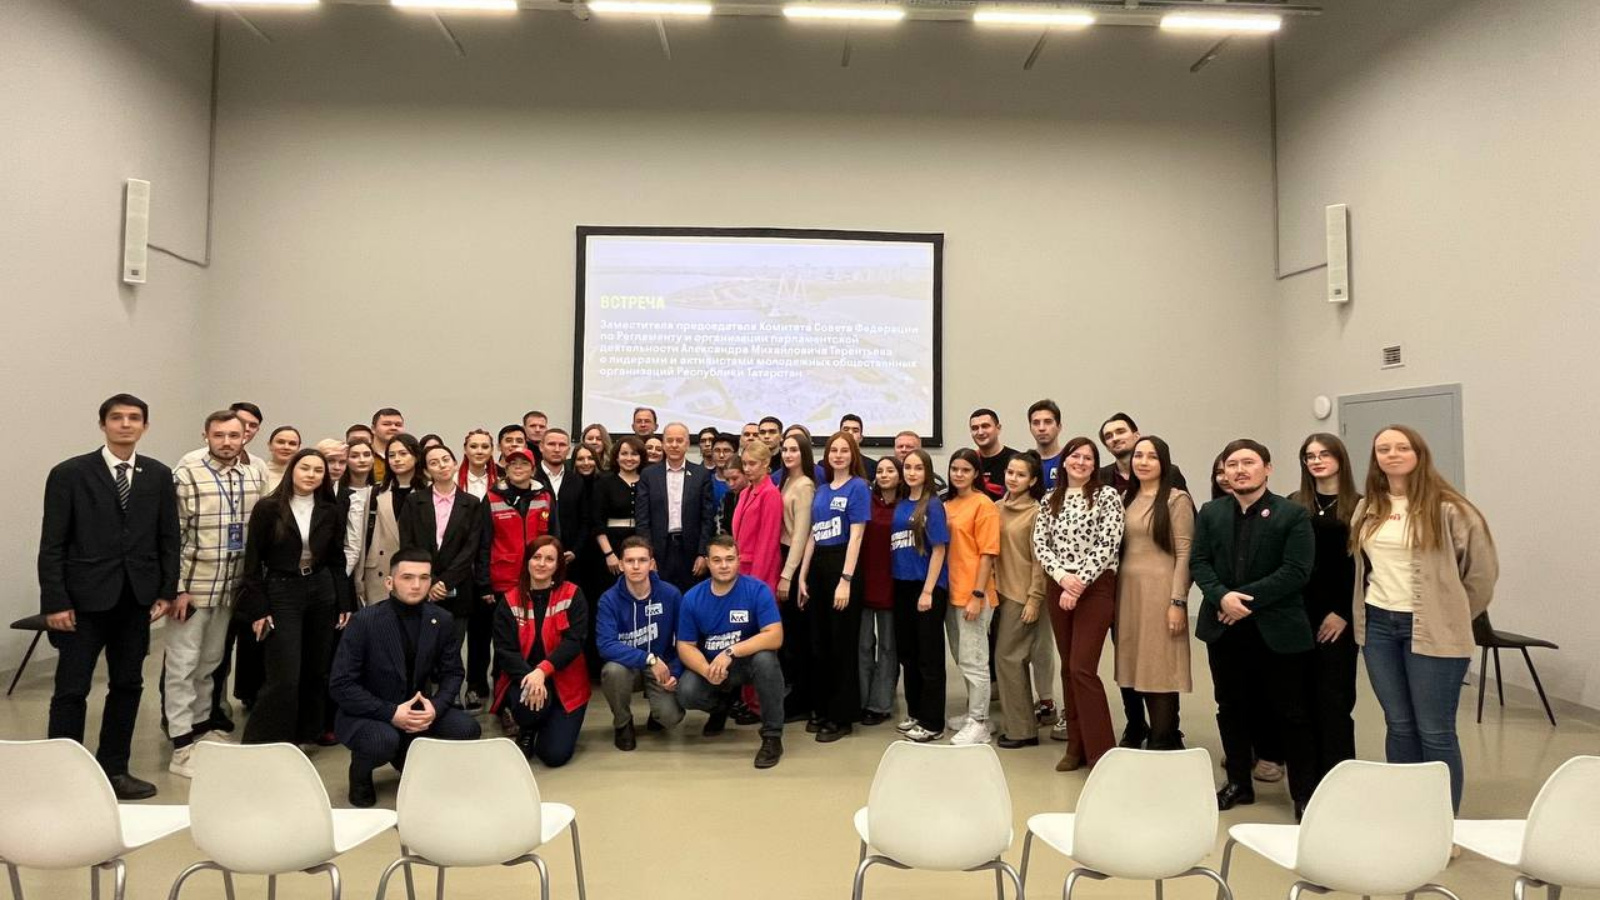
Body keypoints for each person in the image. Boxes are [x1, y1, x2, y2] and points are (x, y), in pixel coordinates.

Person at [1350, 425, 1496, 814]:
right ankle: (1406, 813)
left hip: (1432, 630)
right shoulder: (1369, 507)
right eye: (1383, 449)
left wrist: (1449, 615)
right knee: (1398, 724)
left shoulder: (1451, 509)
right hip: (1379, 627)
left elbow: (1481, 576)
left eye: (1402, 447)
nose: (1392, 454)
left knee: (1435, 731)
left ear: (1419, 454)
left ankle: (1441, 821)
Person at [39, 394, 178, 799]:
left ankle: (114, 769)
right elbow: (52, 544)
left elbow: (169, 537)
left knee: (128, 685)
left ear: (145, 426)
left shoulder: (157, 474)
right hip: (82, 601)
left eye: (134, 418)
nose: (125, 424)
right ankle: (61, 775)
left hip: (135, 600)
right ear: (103, 424)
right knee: (72, 689)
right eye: (117, 418)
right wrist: (55, 601)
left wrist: (166, 591)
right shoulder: (69, 473)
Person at [1191, 438, 1317, 816]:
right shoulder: (1211, 512)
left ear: (1267, 468)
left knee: (1291, 713)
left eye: (1248, 463)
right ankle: (1238, 784)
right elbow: (1199, 562)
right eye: (1232, 464)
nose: (1240, 470)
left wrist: (1241, 601)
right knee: (1231, 707)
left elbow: (1296, 571)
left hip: (1277, 630)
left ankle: (1303, 793)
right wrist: (1221, 597)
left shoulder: (1292, 514)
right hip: (1225, 629)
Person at [329, 548, 482, 808]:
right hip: (370, 713)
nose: (416, 585)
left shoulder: (441, 619)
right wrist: (390, 713)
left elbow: (453, 673)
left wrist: (435, 707)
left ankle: (411, 757)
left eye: (424, 578)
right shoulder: (364, 622)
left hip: (418, 710)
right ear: (390, 582)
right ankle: (360, 774)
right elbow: (341, 684)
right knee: (382, 741)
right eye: (407, 577)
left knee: (467, 729)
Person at [164, 410, 266, 778]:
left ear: (245, 437)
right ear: (205, 435)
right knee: (182, 667)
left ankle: (201, 729)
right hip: (193, 590)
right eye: (219, 435)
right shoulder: (187, 474)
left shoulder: (254, 473)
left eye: (234, 435)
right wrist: (176, 588)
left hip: (230, 589)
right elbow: (171, 537)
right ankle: (180, 747)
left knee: (210, 664)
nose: (227, 442)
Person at [239, 448, 355, 745]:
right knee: (285, 674)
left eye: (318, 470)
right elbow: (252, 563)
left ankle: (307, 734)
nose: (311, 475)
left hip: (321, 589)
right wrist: (259, 608)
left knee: (317, 670)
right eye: (305, 468)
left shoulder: (330, 509)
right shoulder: (268, 508)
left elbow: (336, 559)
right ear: (293, 470)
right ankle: (266, 740)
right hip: (282, 590)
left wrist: (344, 601)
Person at [1033, 437, 1125, 771]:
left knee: (1082, 668)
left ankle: (1102, 753)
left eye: (1088, 458)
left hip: (1096, 587)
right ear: (1065, 461)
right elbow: (1040, 543)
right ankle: (1076, 746)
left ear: (1095, 464)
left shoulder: (1106, 496)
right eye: (1075, 456)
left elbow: (1108, 542)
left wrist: (1080, 582)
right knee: (1068, 668)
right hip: (1059, 585)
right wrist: (1062, 577)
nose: (1081, 462)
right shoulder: (1050, 498)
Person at [675, 535, 786, 769]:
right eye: (717, 560)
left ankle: (772, 736)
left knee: (766, 660)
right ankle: (720, 707)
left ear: (738, 560)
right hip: (712, 666)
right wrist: (706, 670)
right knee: (686, 691)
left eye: (730, 559)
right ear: (707, 562)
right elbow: (685, 645)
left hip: (747, 663)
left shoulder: (757, 590)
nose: (724, 565)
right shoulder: (692, 598)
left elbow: (775, 636)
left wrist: (731, 651)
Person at [1115, 436, 1195, 752]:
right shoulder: (1126, 498)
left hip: (1160, 594)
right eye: (1139, 456)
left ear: (1164, 462)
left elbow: (1184, 554)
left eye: (1151, 456)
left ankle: (1164, 739)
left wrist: (1178, 601)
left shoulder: (1176, 500)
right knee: (1135, 663)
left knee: (1160, 665)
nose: (1143, 462)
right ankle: (1145, 730)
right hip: (1128, 594)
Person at [1291, 433, 1361, 783]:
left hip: (1339, 617)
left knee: (1334, 701)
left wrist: (1342, 612)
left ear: (1340, 459)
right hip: (1298, 613)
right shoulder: (1294, 503)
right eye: (1310, 456)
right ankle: (1307, 782)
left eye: (1324, 454)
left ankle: (1338, 779)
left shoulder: (1360, 506)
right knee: (1300, 700)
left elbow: (1362, 568)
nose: (1316, 461)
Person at [492, 536, 590, 767]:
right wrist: (531, 678)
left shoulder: (573, 595)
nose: (542, 564)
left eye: (549, 559)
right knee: (532, 708)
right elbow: (505, 651)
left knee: (554, 755)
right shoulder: (509, 600)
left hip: (566, 683)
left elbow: (574, 642)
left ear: (558, 565)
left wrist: (542, 671)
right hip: (523, 679)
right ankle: (528, 726)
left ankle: (548, 724)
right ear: (527, 560)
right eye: (536, 557)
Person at [798, 432, 870, 742]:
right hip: (818, 568)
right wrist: (802, 576)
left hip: (843, 566)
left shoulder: (858, 487)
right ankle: (823, 708)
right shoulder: (822, 490)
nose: (838, 455)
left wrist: (846, 580)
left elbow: (857, 536)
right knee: (819, 644)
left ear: (853, 454)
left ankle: (842, 717)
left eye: (844, 450)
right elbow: (813, 534)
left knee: (842, 645)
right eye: (833, 450)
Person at [398, 444, 484, 699]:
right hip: (421, 586)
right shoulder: (414, 501)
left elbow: (471, 548)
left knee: (452, 648)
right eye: (434, 462)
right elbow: (408, 544)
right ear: (426, 470)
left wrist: (445, 582)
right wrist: (430, 581)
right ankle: (422, 699)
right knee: (422, 648)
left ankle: (450, 699)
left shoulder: (472, 503)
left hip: (459, 587)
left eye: (446, 459)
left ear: (455, 463)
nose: (442, 465)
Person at [476, 448, 554, 713]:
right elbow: (483, 544)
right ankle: (504, 704)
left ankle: (531, 691)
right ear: (505, 469)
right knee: (505, 644)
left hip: (538, 580)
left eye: (524, 463)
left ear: (533, 469)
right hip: (503, 581)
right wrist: (484, 583)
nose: (518, 467)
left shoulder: (545, 497)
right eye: (512, 464)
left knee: (531, 641)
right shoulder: (492, 498)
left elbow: (554, 537)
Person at [595, 538, 686, 750]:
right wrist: (648, 659)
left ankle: (658, 712)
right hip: (628, 669)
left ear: (651, 564)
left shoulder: (670, 594)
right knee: (612, 671)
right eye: (630, 561)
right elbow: (605, 644)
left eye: (642, 560)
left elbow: (684, 640)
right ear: (620, 565)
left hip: (661, 669)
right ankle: (623, 723)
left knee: (671, 717)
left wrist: (676, 672)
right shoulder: (609, 600)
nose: (636, 566)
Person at [941, 449, 1000, 745]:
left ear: (976, 473)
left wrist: (977, 594)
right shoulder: (948, 504)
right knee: (962, 658)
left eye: (965, 469)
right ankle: (976, 714)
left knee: (975, 659)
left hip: (974, 594)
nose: (959, 474)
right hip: (950, 593)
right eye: (955, 469)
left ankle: (979, 722)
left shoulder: (983, 505)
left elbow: (988, 553)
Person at [890, 449, 949, 742]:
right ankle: (915, 712)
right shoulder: (901, 504)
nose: (911, 472)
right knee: (908, 655)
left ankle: (933, 722)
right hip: (901, 585)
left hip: (926, 587)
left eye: (918, 468)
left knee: (929, 657)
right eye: (908, 468)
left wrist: (928, 590)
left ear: (927, 472)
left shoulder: (933, 506)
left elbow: (939, 549)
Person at [992, 453, 1049, 749]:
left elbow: (1040, 562)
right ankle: (1018, 724)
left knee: (1009, 658)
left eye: (1021, 474)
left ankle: (1023, 731)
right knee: (1005, 660)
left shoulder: (1037, 513)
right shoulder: (997, 507)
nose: (1013, 478)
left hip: (1021, 595)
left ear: (1033, 480)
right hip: (997, 594)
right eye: (1010, 472)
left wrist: (1034, 599)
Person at [634, 423, 716, 591]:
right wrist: (647, 554)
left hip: (691, 550)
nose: (674, 445)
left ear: (688, 444)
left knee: (690, 595)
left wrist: (703, 553)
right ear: (663, 444)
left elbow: (707, 518)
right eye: (669, 440)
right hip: (658, 549)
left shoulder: (701, 474)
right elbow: (642, 518)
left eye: (679, 440)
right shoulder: (649, 475)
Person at [775, 433, 816, 721]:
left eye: (794, 450)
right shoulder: (786, 481)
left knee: (799, 637)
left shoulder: (805, 485)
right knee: (788, 636)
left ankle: (804, 698)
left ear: (804, 454)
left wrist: (788, 575)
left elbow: (801, 534)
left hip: (795, 558)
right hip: (782, 553)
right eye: (785, 449)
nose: (788, 454)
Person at [858, 456, 901, 726]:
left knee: (888, 647)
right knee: (863, 645)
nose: (884, 475)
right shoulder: (866, 501)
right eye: (881, 471)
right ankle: (862, 700)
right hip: (864, 581)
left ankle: (880, 704)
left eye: (890, 470)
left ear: (899, 475)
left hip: (894, 583)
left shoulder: (906, 505)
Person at [591, 436, 645, 577]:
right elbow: (597, 521)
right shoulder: (604, 482)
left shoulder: (648, 481)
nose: (629, 458)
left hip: (642, 543)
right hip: (612, 546)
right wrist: (609, 553)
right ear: (616, 457)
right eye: (624, 453)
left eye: (634, 454)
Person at [1097, 413, 1188, 497]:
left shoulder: (1169, 472)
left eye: (1120, 432)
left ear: (1136, 436)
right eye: (1108, 436)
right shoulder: (1099, 477)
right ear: (1107, 447)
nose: (1115, 438)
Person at [178, 401, 269, 484]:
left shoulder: (258, 465)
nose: (247, 428)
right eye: (242, 422)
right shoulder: (191, 459)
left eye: (253, 425)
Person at [733, 442, 783, 591]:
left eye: (752, 464)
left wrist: (756, 581)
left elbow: (768, 541)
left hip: (759, 569)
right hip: (740, 566)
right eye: (744, 464)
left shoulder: (770, 493)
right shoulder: (744, 493)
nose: (747, 469)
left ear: (765, 463)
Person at [537, 429, 589, 568]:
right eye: (551, 444)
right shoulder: (531, 478)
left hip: (570, 557)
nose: (557, 449)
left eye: (562, 445)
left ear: (568, 449)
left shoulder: (577, 481)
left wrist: (575, 551)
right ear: (541, 447)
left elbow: (584, 520)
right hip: (537, 556)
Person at [969, 408, 1018, 500]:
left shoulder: (1017, 460)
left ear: (998, 428)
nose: (980, 432)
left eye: (985, 426)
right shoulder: (969, 461)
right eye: (975, 428)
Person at [1028, 399, 1065, 491]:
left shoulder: (1069, 460)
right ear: (1030, 428)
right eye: (1036, 423)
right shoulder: (1024, 462)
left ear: (1059, 427)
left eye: (1048, 422)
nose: (1041, 428)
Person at [458, 429, 498, 499]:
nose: (479, 451)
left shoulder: (498, 483)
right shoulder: (454, 481)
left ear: (492, 450)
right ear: (465, 449)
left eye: (485, 447)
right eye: (473, 446)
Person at [369, 408, 405, 484]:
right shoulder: (364, 454)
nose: (393, 428)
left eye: (398, 425)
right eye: (386, 424)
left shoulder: (411, 455)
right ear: (373, 429)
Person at [263, 425, 302, 492]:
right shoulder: (259, 474)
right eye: (280, 442)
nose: (286, 447)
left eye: (292, 443)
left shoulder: (303, 477)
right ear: (269, 445)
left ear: (299, 448)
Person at [716, 459, 746, 536]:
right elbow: (722, 527)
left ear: (746, 474)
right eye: (727, 480)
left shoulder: (757, 496)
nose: (731, 484)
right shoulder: (726, 498)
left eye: (735, 479)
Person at [710, 432, 739, 507]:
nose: (721, 455)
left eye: (726, 451)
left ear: (736, 453)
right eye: (717, 450)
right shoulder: (705, 480)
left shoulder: (743, 482)